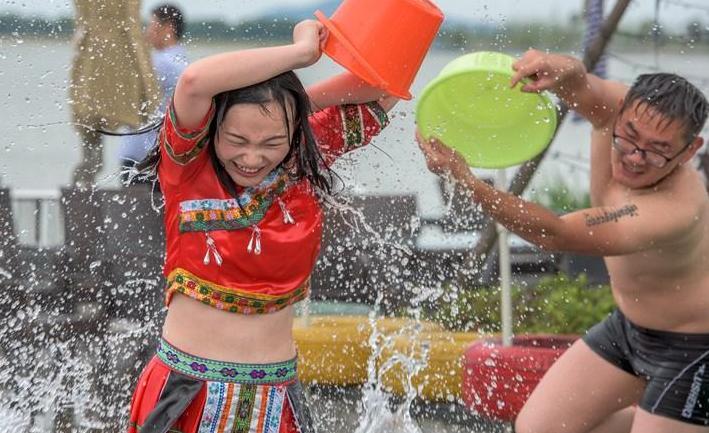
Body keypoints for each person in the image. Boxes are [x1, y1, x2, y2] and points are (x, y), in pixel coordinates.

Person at [126, 19, 397, 433]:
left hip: (275, 397)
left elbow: (389, 83)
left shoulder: (307, 155)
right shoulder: (187, 166)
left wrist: (293, 103)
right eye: (237, 140)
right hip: (185, 394)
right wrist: (301, 55)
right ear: (213, 128)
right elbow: (195, 81)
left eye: (271, 142)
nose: (252, 158)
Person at [416, 49, 709, 432]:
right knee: (537, 428)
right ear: (623, 109)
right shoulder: (618, 109)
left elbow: (555, 233)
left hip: (691, 348)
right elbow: (579, 83)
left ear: (690, 151)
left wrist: (469, 183)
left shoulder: (674, 210)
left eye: (658, 152)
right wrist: (559, 67)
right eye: (630, 139)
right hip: (628, 329)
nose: (636, 158)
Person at [70, 0, 159, 187]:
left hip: (94, 54)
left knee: (91, 152)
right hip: (119, 54)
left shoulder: (91, 35)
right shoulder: (126, 37)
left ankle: (83, 188)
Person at [119, 4, 188, 184]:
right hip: (161, 154)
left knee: (139, 209)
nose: (147, 31)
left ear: (168, 27)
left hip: (143, 155)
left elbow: (123, 86)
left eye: (151, 25)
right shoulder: (181, 60)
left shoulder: (162, 63)